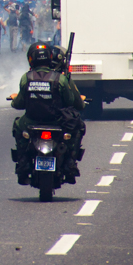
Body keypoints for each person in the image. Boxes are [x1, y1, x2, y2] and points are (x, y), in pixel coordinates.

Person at [11, 42, 84, 185]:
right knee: (78, 127)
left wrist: (14, 100)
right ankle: (70, 163)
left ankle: (23, 162)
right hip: (57, 122)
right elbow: (70, 101)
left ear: (31, 59)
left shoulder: (26, 78)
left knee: (17, 126)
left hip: (31, 121)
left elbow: (18, 104)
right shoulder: (60, 79)